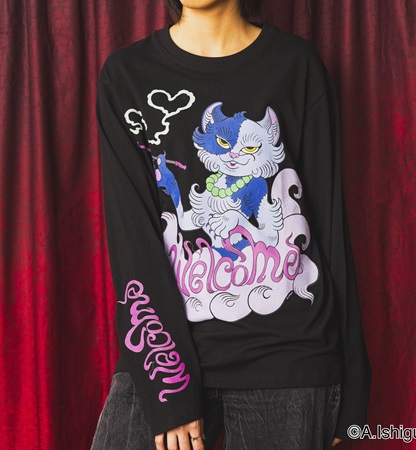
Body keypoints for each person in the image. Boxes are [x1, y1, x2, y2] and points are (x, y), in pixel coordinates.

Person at [91, 0, 372, 449]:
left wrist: (353, 389)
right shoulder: (127, 75)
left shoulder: (295, 66)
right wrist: (168, 384)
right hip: (164, 349)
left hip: (289, 357)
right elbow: (133, 241)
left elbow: (331, 227)